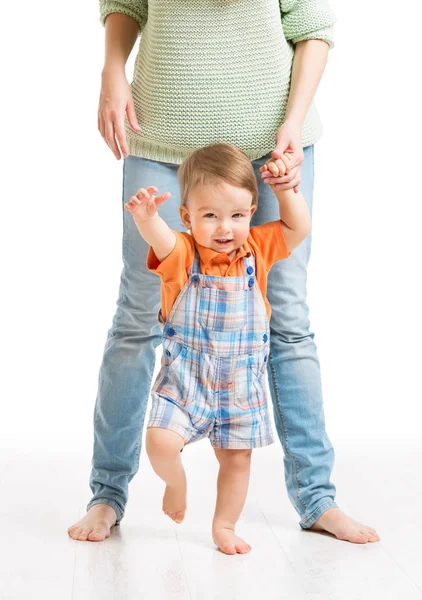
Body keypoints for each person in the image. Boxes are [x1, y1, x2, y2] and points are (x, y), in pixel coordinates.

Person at [68, 0, 381, 544]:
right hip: (159, 135)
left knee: (286, 318)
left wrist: (293, 118)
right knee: (139, 315)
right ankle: (107, 494)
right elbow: (125, 5)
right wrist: (112, 70)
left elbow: (312, 26)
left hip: (272, 150)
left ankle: (316, 497)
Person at [125, 143, 310, 555]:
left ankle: (224, 524)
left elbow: (298, 227)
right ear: (188, 217)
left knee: (237, 462)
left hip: (240, 387)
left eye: (238, 215)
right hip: (185, 383)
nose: (225, 228)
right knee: (159, 441)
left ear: (250, 212)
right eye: (211, 216)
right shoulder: (183, 253)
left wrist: (286, 190)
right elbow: (162, 239)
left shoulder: (256, 251)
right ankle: (176, 484)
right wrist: (147, 218)